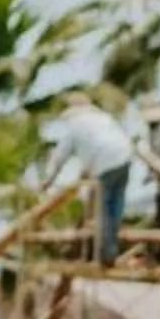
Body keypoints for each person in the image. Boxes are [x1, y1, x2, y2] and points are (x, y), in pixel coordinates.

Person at [45, 97, 137, 263]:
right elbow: (99, 146)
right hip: (124, 158)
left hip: (105, 164)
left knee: (103, 210)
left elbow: (60, 156)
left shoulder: (75, 126)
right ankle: (112, 249)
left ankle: (107, 254)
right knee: (116, 206)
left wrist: (48, 180)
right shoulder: (104, 118)